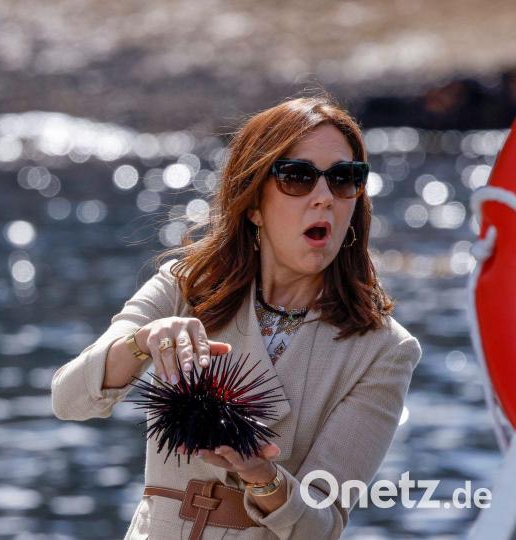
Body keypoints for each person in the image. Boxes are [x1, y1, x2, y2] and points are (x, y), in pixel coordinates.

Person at [51, 96, 421, 539]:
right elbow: (68, 399)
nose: (324, 197)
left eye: (344, 179)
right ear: (252, 204)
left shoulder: (384, 350)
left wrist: (261, 475)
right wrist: (142, 342)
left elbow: (321, 528)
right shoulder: (184, 286)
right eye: (298, 177)